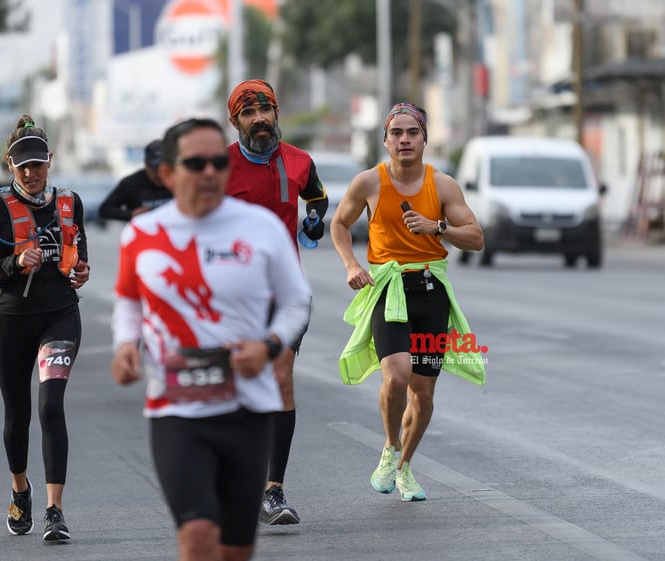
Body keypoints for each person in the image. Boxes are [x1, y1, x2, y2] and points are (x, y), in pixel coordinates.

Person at [110, 117, 311, 561]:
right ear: (167, 173)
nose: (209, 173)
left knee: (235, 551)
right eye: (195, 163)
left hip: (247, 409)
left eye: (218, 162)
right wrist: (126, 344)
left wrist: (270, 346)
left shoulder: (260, 227)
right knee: (199, 537)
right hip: (177, 409)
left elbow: (297, 301)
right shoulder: (142, 235)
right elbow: (128, 299)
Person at [330, 102, 486, 502]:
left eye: (412, 132)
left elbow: (476, 237)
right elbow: (339, 223)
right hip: (389, 290)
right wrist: (350, 265)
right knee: (396, 376)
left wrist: (437, 227)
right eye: (396, 133)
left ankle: (404, 467)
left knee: (424, 393)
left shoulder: (444, 185)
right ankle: (389, 447)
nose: (404, 139)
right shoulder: (368, 182)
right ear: (385, 140)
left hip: (431, 293)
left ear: (424, 139)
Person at [0, 114, 90, 541]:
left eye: (38, 164)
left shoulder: (70, 203)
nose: (31, 173)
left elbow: (76, 255)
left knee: (51, 406)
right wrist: (12, 263)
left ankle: (56, 512)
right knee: (17, 416)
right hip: (11, 321)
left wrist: (81, 272)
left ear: (50, 160)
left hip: (59, 316)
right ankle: (21, 489)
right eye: (23, 167)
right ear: (9, 164)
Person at [224, 79, 328, 525]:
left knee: (281, 378)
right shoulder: (219, 167)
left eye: (265, 111)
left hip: (287, 294)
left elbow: (318, 198)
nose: (260, 119)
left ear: (276, 112)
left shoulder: (300, 162)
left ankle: (273, 492)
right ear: (236, 122)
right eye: (249, 113)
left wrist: (314, 220)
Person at [97, 139, 172, 222]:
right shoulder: (132, 183)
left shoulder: (178, 180)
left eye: (164, 170)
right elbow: (105, 209)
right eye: (154, 169)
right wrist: (131, 214)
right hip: (144, 231)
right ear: (146, 164)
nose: (159, 174)